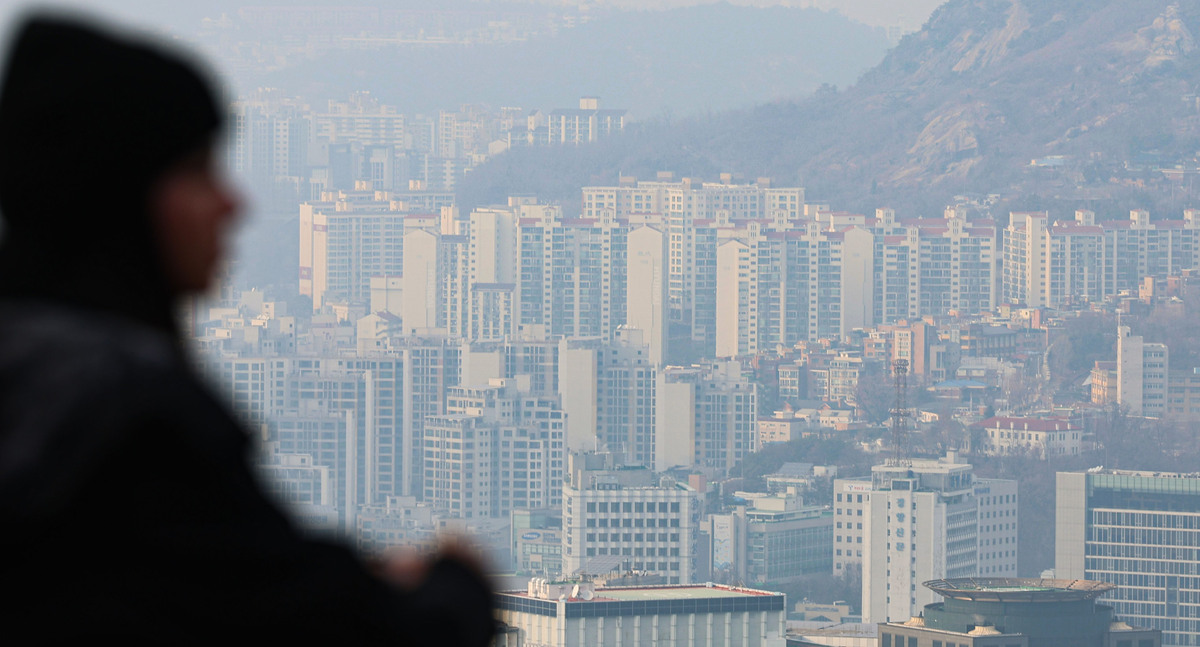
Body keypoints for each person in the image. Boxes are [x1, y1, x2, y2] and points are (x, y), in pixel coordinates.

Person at [0, 13, 494, 644]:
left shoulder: (37, 371)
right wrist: (454, 589)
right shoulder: (133, 420)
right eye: (200, 171)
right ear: (129, 194)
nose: (234, 206)